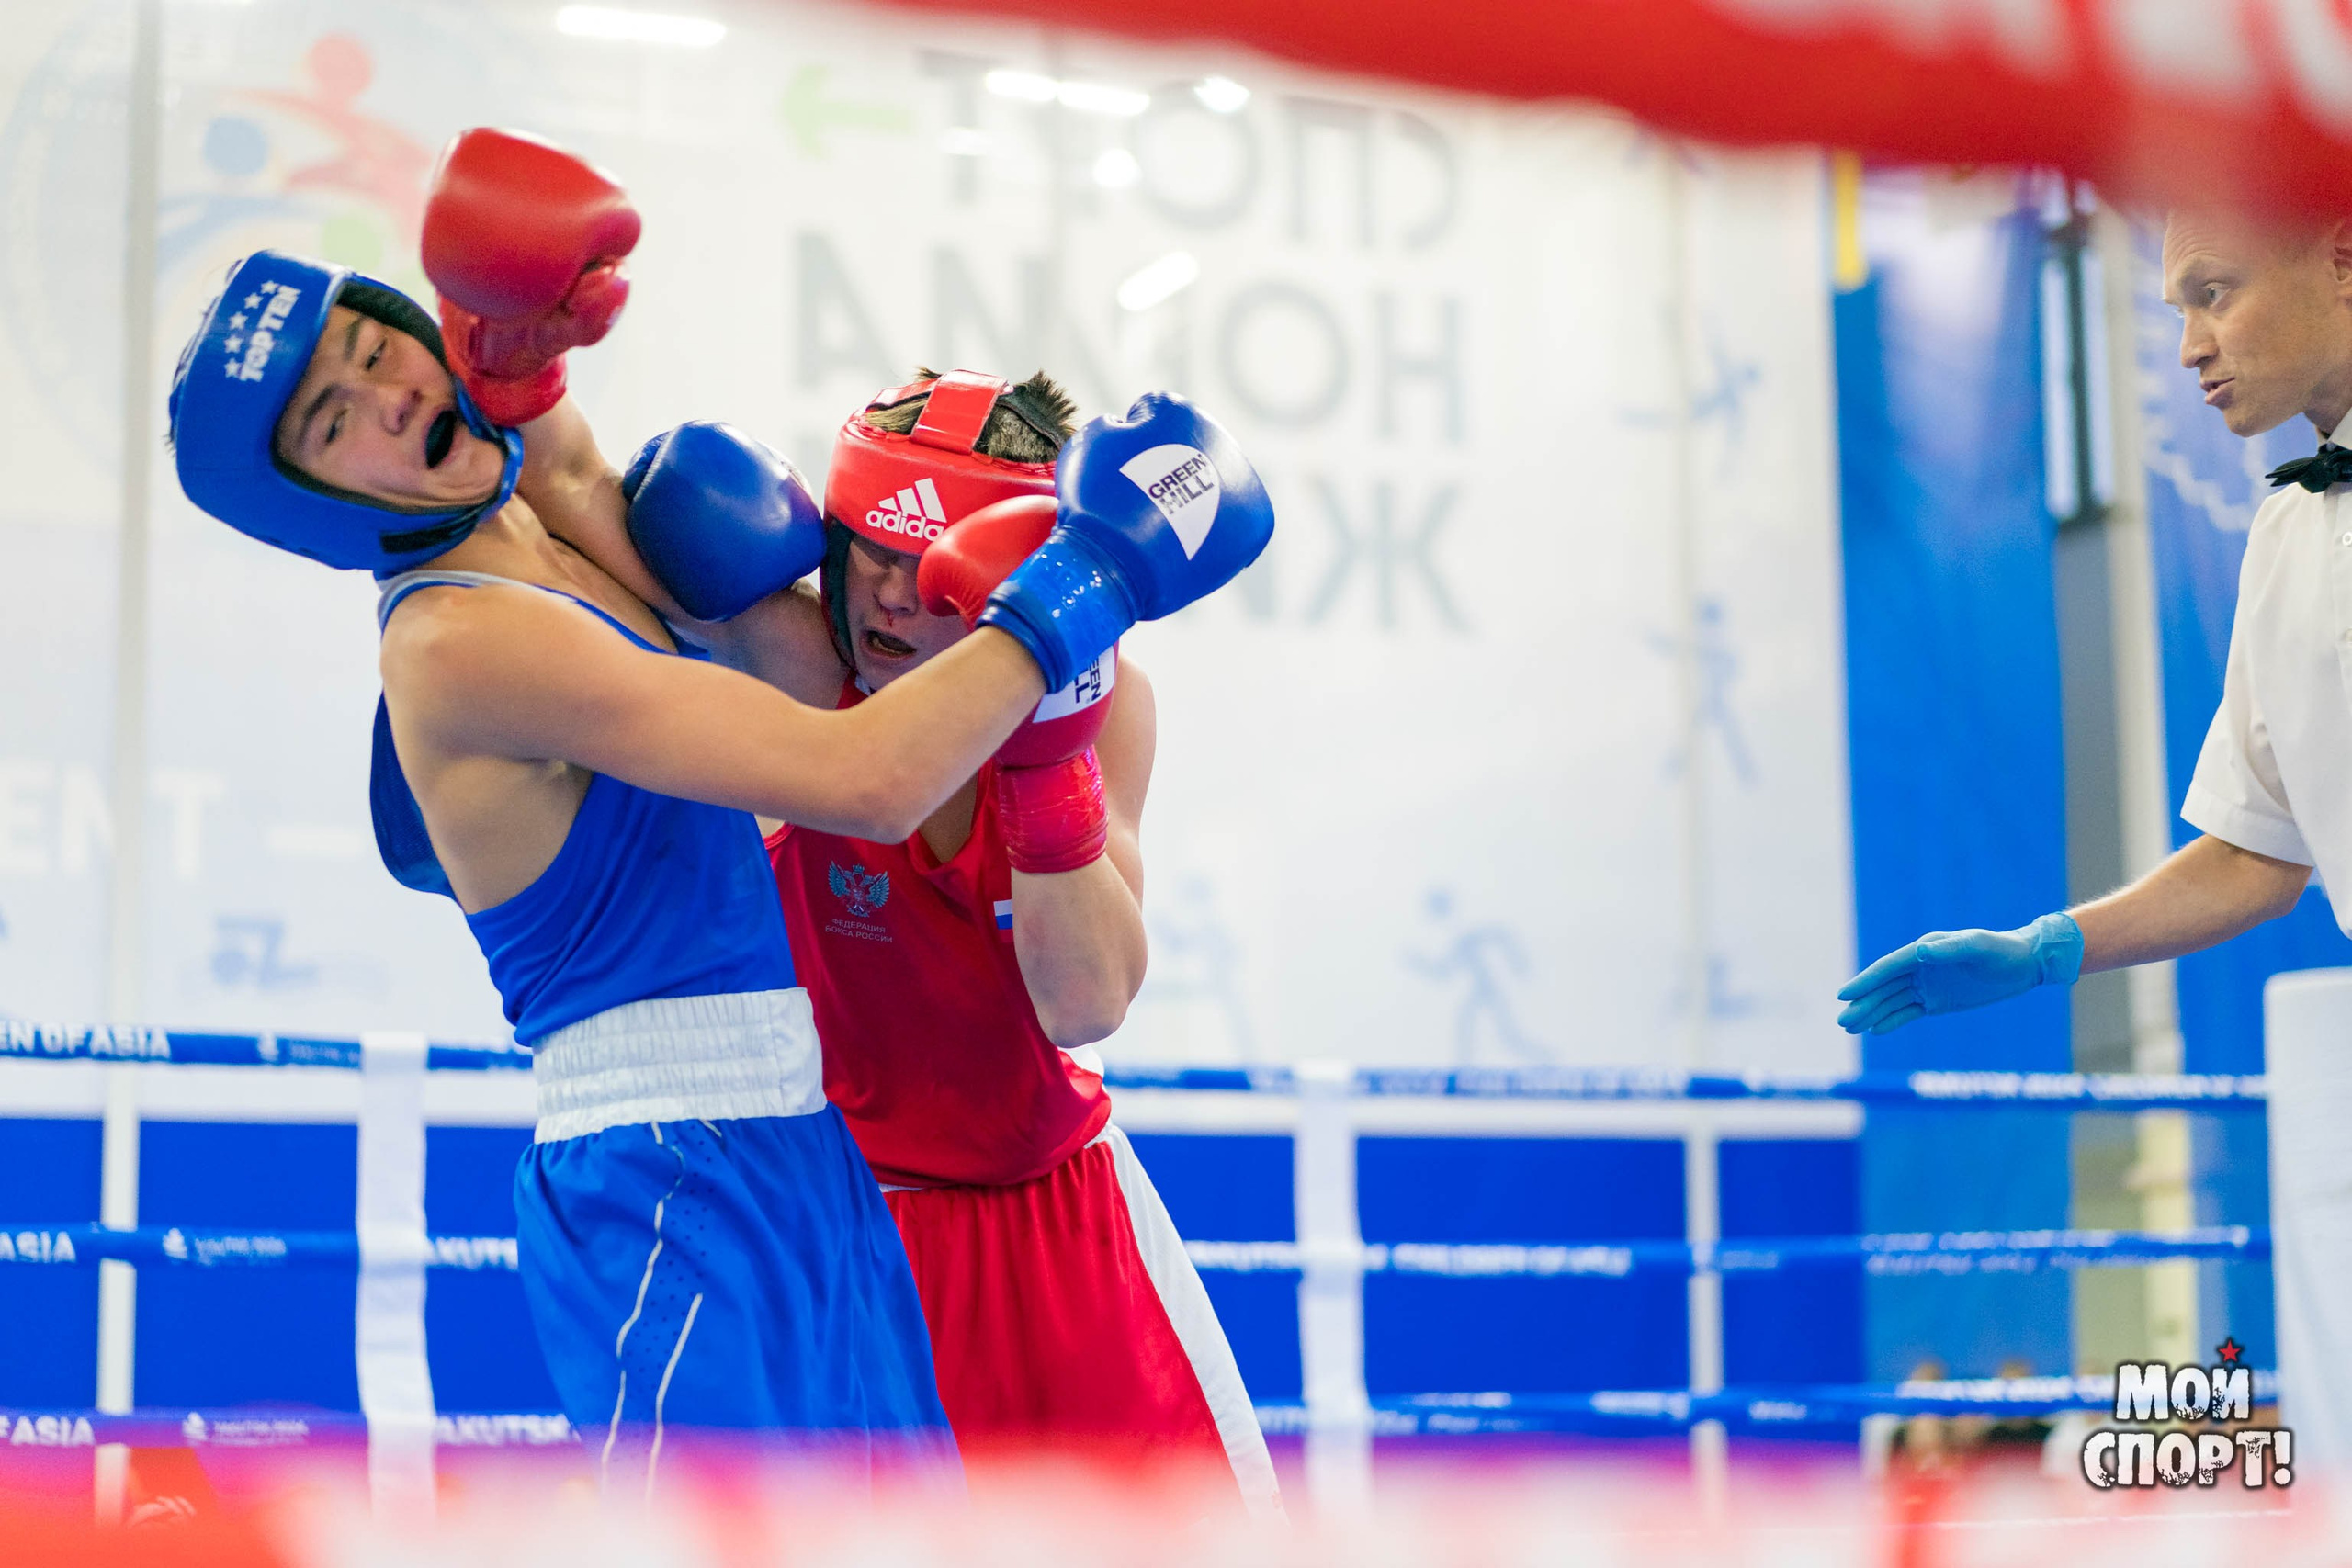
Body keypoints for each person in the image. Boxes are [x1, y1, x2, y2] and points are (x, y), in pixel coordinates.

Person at [164, 127, 1275, 1489]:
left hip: (850, 1159)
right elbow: (870, 775)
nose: (390, 398)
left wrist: (524, 363)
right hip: (673, 1157)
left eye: (375, 350)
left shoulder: (519, 497)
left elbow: (569, 471)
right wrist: (1087, 581)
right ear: (316, 498)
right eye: (332, 422)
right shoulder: (473, 641)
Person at [742, 370, 1282, 1510]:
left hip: (1057, 1225)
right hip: (850, 1233)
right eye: (872, 555)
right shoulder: (790, 663)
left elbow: (1085, 1002)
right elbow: (585, 531)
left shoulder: (1102, 701)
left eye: (935, 572)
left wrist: (1046, 768)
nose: (893, 599)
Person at [1837, 210, 2350, 1035]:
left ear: (2342, 261)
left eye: (2213, 293)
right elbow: (2257, 851)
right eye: (2178, 311)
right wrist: (2047, 948)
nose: (2190, 348)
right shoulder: (2284, 538)